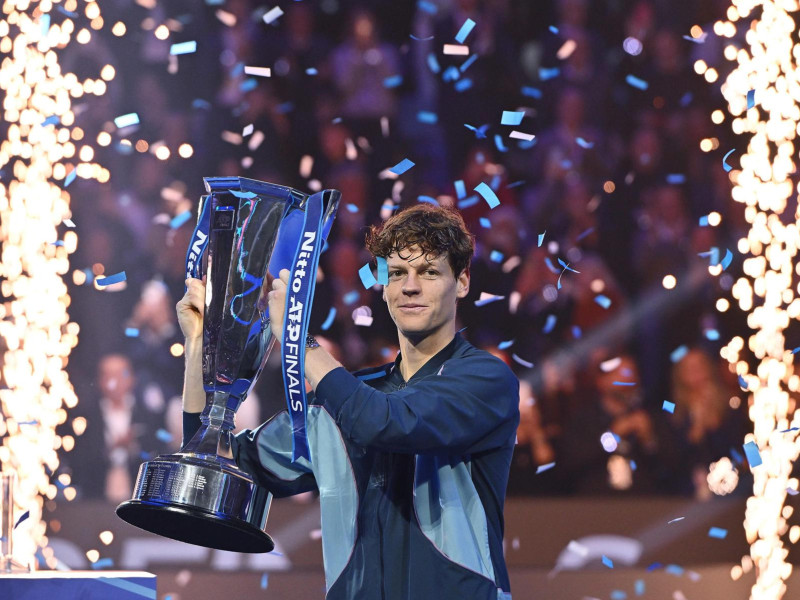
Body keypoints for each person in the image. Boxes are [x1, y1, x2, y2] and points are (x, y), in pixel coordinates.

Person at [178, 204, 520, 600]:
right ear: (385, 286)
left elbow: (389, 423)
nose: (410, 286)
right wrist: (200, 346)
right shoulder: (340, 401)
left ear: (461, 282)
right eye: (397, 273)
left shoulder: (485, 380)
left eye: (429, 272)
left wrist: (297, 340)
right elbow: (215, 461)